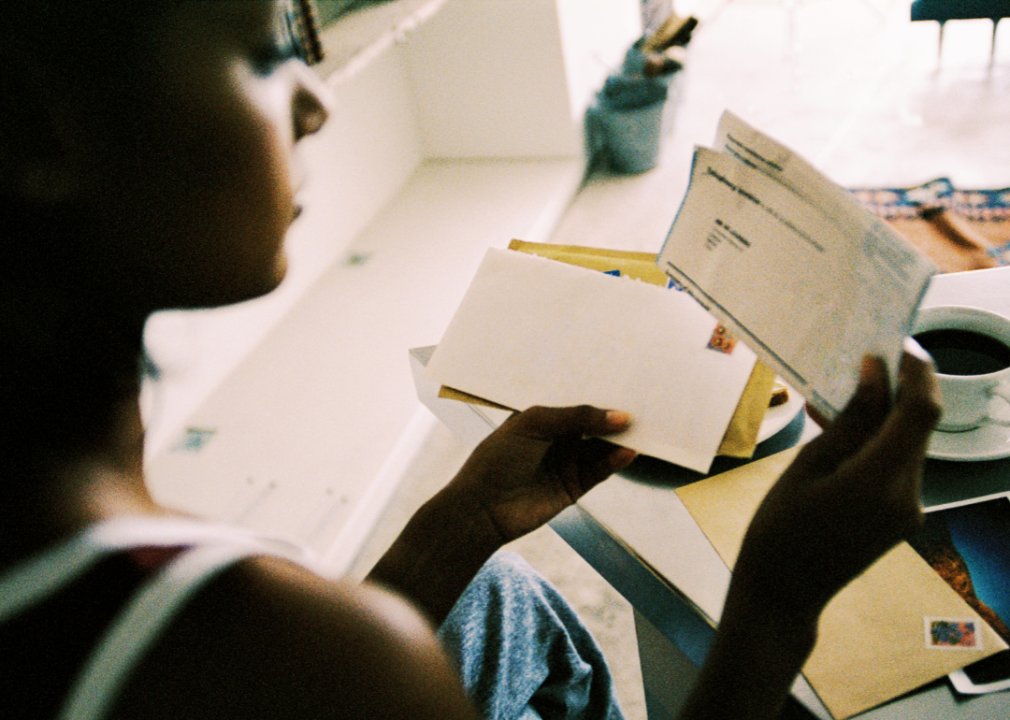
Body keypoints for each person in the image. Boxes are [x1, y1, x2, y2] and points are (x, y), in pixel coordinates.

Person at [0, 2, 941, 719]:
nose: (318, 103)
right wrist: (776, 598)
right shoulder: (304, 657)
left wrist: (460, 522)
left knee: (495, 589)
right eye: (263, 52)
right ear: (43, 130)